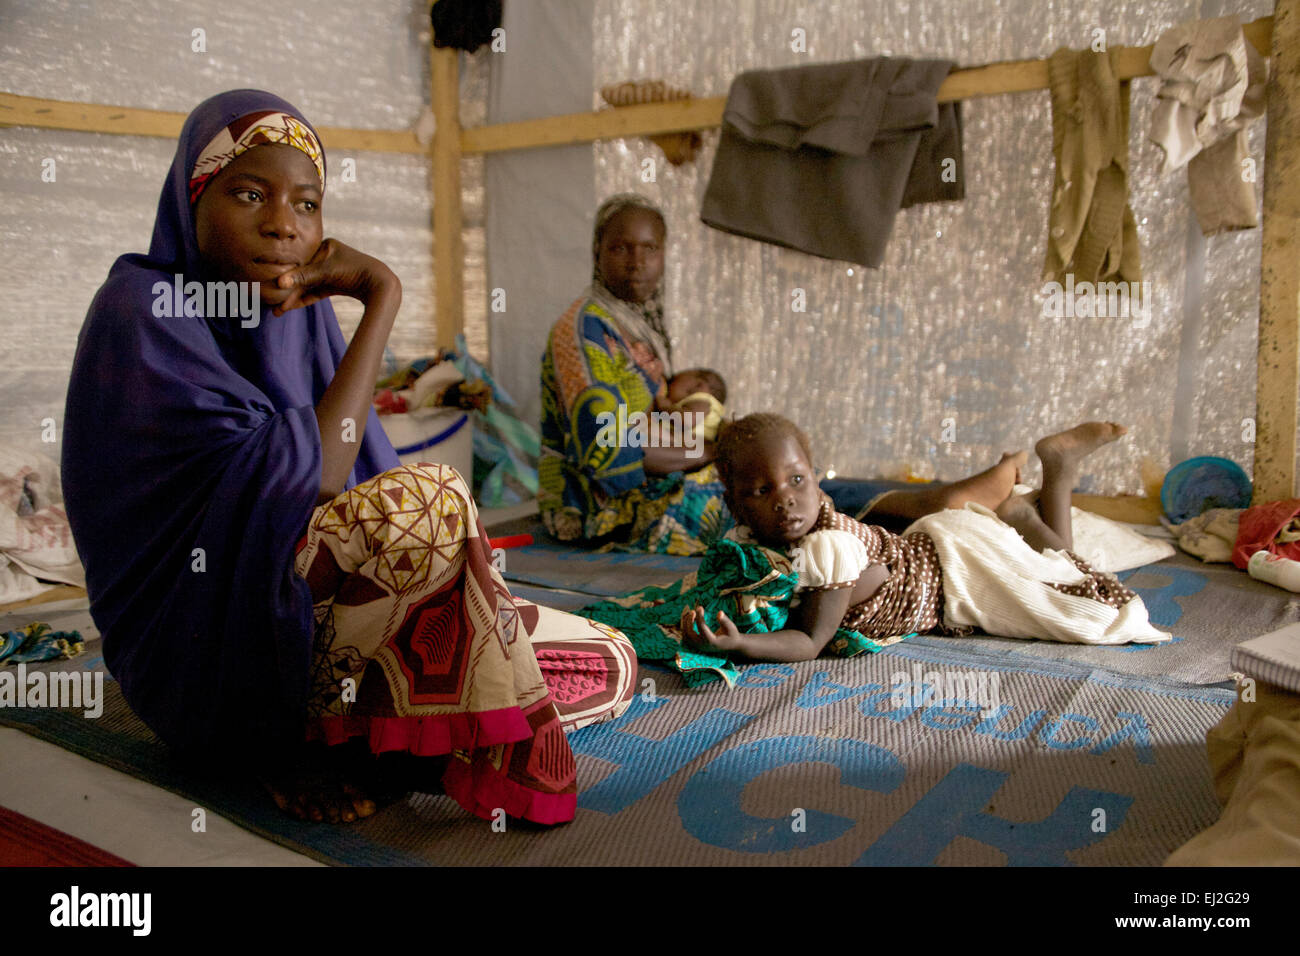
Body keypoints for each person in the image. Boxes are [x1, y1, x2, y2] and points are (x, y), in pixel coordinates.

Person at [61, 89, 635, 826]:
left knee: (601, 660)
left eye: (307, 204)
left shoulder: (294, 316)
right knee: (432, 502)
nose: (282, 225)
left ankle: (379, 727)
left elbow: (366, 478)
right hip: (208, 658)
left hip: (313, 619)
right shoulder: (142, 310)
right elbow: (318, 476)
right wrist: (381, 293)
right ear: (191, 200)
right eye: (248, 194)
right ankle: (308, 748)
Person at [678, 413, 1167, 662]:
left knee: (1085, 596)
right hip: (936, 544)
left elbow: (810, 639)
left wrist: (742, 645)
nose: (785, 500)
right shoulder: (751, 540)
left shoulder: (830, 551)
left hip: (959, 571)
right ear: (738, 505)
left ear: (817, 477)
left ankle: (1053, 480)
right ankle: (1025, 506)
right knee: (1055, 569)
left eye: (797, 480)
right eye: (763, 490)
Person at [540, 194, 732, 555]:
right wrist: (706, 452)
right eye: (620, 249)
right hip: (593, 505)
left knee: (767, 472)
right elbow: (607, 441)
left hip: (652, 473)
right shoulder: (583, 329)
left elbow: (656, 412)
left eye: (650, 248)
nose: (637, 263)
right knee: (738, 497)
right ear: (598, 252)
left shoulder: (639, 324)